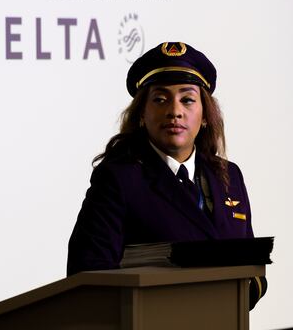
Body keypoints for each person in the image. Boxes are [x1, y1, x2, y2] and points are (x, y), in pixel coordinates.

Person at [67, 42, 267, 309]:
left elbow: (252, 265)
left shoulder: (229, 175)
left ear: (205, 115)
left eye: (187, 99)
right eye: (160, 99)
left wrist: (232, 294)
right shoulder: (118, 178)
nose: (175, 111)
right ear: (141, 114)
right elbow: (88, 274)